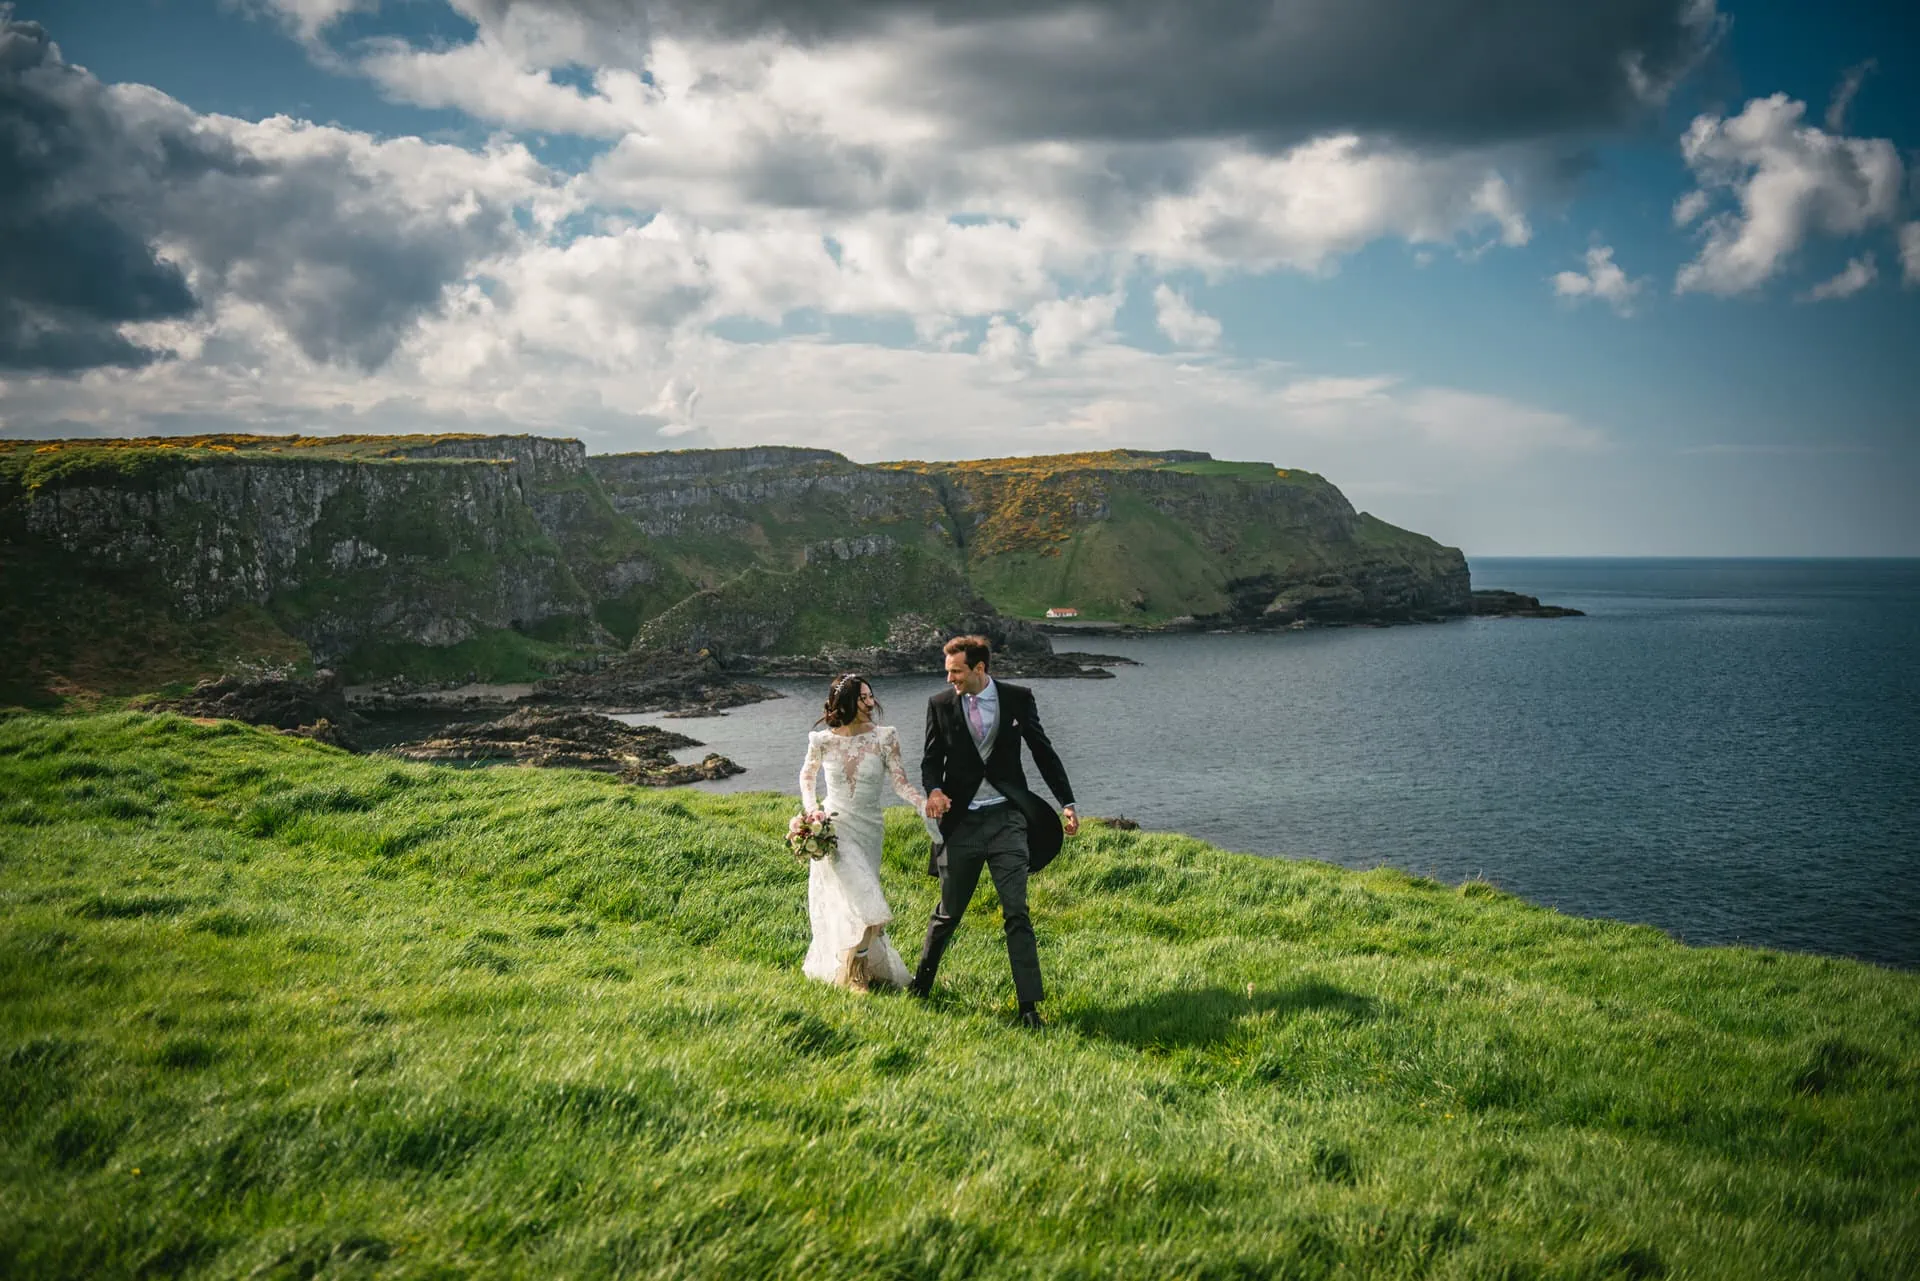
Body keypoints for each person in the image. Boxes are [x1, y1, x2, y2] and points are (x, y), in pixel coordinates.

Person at [911, 634, 1079, 1029]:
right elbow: (931, 761)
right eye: (948, 671)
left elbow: (1042, 750)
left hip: (1008, 819)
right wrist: (934, 789)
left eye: (956, 671)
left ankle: (1028, 1009)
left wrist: (1067, 802)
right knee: (948, 914)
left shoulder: (1018, 698)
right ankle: (920, 988)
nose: (949, 678)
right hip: (963, 824)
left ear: (979, 668)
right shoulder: (939, 705)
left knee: (1017, 912)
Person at [796, 673, 928, 991]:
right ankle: (856, 977)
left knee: (857, 902)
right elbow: (807, 778)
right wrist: (812, 809)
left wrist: (923, 803)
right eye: (863, 697)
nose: (871, 702)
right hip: (836, 828)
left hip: (870, 830)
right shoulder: (822, 740)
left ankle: (859, 967)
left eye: (871, 696)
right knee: (869, 906)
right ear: (846, 702)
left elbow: (899, 782)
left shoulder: (886, 737)